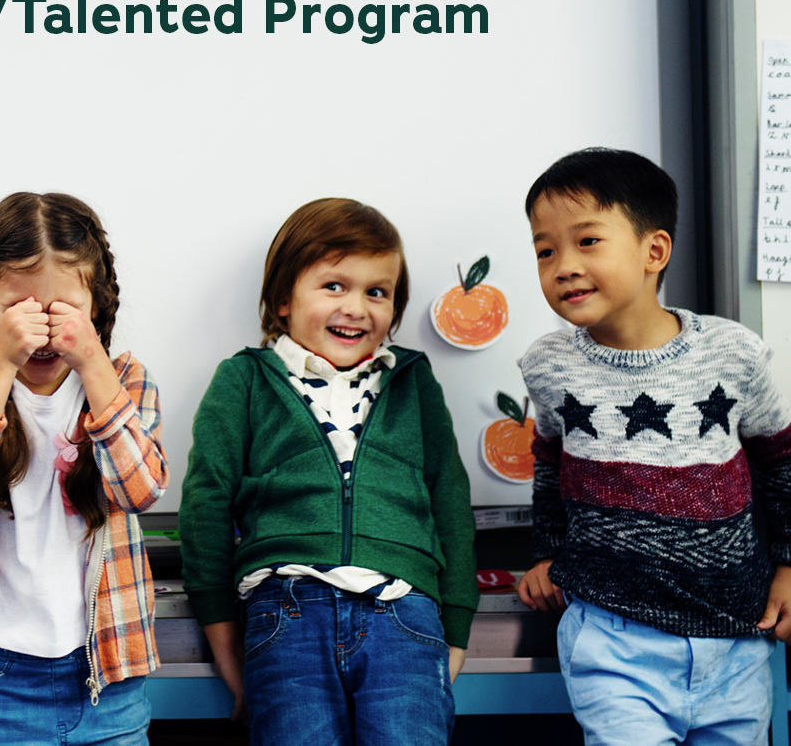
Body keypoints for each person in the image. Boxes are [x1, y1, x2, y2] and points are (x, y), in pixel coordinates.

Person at [516, 148, 791, 745]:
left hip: (736, 638)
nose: (562, 265)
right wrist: (545, 553)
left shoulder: (735, 352)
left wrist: (790, 566)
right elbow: (549, 464)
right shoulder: (547, 365)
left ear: (654, 251)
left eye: (586, 241)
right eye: (545, 250)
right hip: (611, 636)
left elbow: (781, 465)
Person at [179, 197, 477, 746]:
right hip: (286, 614)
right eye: (334, 286)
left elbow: (450, 502)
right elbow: (205, 507)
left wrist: (454, 631)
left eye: (377, 292)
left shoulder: (412, 382)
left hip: (405, 618)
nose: (357, 308)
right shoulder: (242, 380)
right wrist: (225, 645)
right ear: (282, 299)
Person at [0, 191, 168, 746]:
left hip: (105, 667)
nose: (45, 329)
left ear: (97, 303)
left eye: (64, 309)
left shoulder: (125, 381)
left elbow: (141, 490)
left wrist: (93, 364)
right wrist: (1, 362)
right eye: (21, 308)